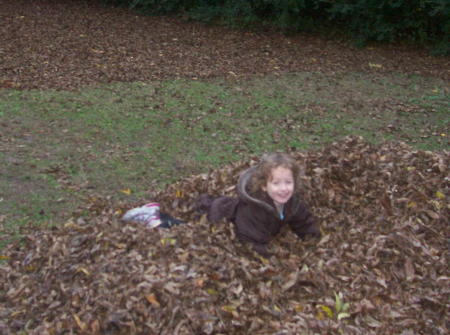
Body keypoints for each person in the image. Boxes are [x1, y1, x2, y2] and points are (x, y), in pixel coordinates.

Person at [197, 152, 320, 257]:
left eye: (288, 182)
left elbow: (304, 222)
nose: (283, 189)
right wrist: (274, 254)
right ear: (264, 186)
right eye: (276, 183)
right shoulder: (254, 210)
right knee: (210, 207)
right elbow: (250, 241)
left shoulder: (292, 203)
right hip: (221, 213)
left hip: (258, 226)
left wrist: (313, 239)